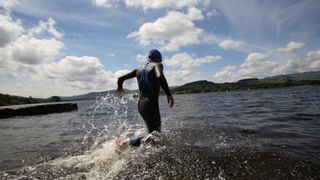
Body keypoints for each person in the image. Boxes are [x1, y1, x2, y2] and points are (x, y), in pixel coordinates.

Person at [115, 49, 174, 134]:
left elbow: (120, 79)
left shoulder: (137, 71)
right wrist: (169, 94)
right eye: (160, 60)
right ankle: (127, 142)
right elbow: (160, 76)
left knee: (153, 133)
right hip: (150, 105)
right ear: (158, 59)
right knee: (155, 135)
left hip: (141, 105)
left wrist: (119, 88)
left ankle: (128, 142)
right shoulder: (157, 65)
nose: (160, 62)